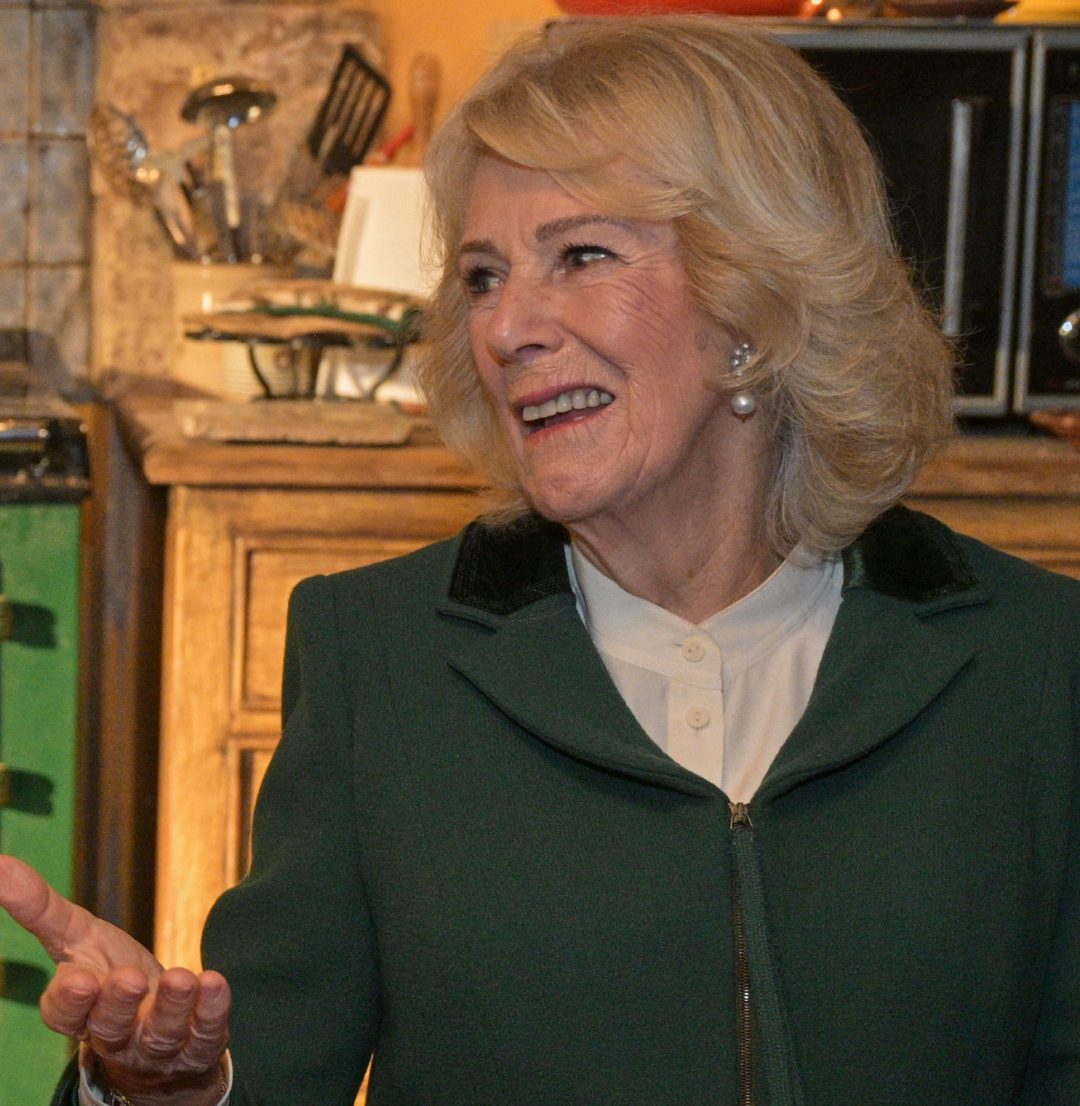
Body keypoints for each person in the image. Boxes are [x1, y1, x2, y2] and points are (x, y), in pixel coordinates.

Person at [2, 15, 1079, 1106]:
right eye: (481, 275)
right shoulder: (381, 657)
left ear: (756, 302)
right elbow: (264, 1070)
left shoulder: (1032, 659)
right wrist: (159, 1084)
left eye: (581, 255)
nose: (508, 326)